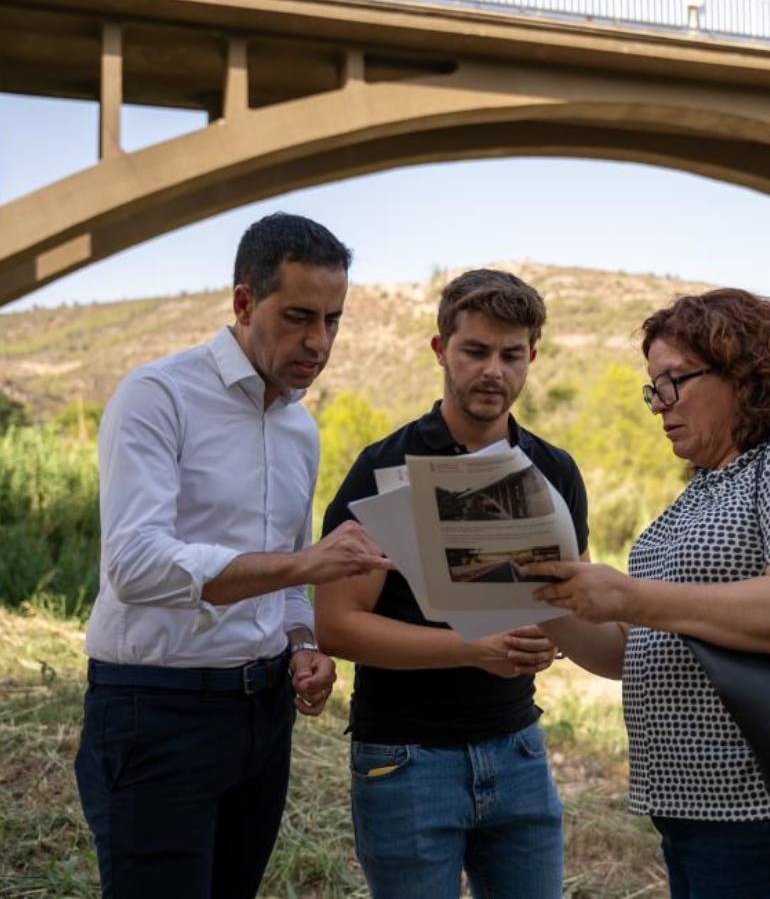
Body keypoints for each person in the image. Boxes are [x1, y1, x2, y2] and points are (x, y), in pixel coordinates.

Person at [525, 288, 770, 898]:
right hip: (699, 809)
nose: (659, 405)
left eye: (673, 381)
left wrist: (630, 596)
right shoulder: (702, 490)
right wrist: (541, 600)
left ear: (744, 375)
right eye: (653, 387)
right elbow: (629, 650)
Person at [74, 212, 392, 899]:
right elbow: (135, 565)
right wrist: (304, 567)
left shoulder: (300, 427)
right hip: (155, 714)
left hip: (263, 714)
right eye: (299, 316)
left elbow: (284, 580)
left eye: (333, 320)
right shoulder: (157, 397)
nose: (319, 341)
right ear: (244, 302)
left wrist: (303, 640)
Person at [315, 269, 587, 899]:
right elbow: (336, 624)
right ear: (441, 350)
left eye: (511, 355)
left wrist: (554, 641)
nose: (494, 370)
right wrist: (471, 649)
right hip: (406, 759)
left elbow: (564, 607)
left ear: (531, 359)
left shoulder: (555, 470)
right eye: (475, 351)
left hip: (519, 748)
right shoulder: (382, 466)